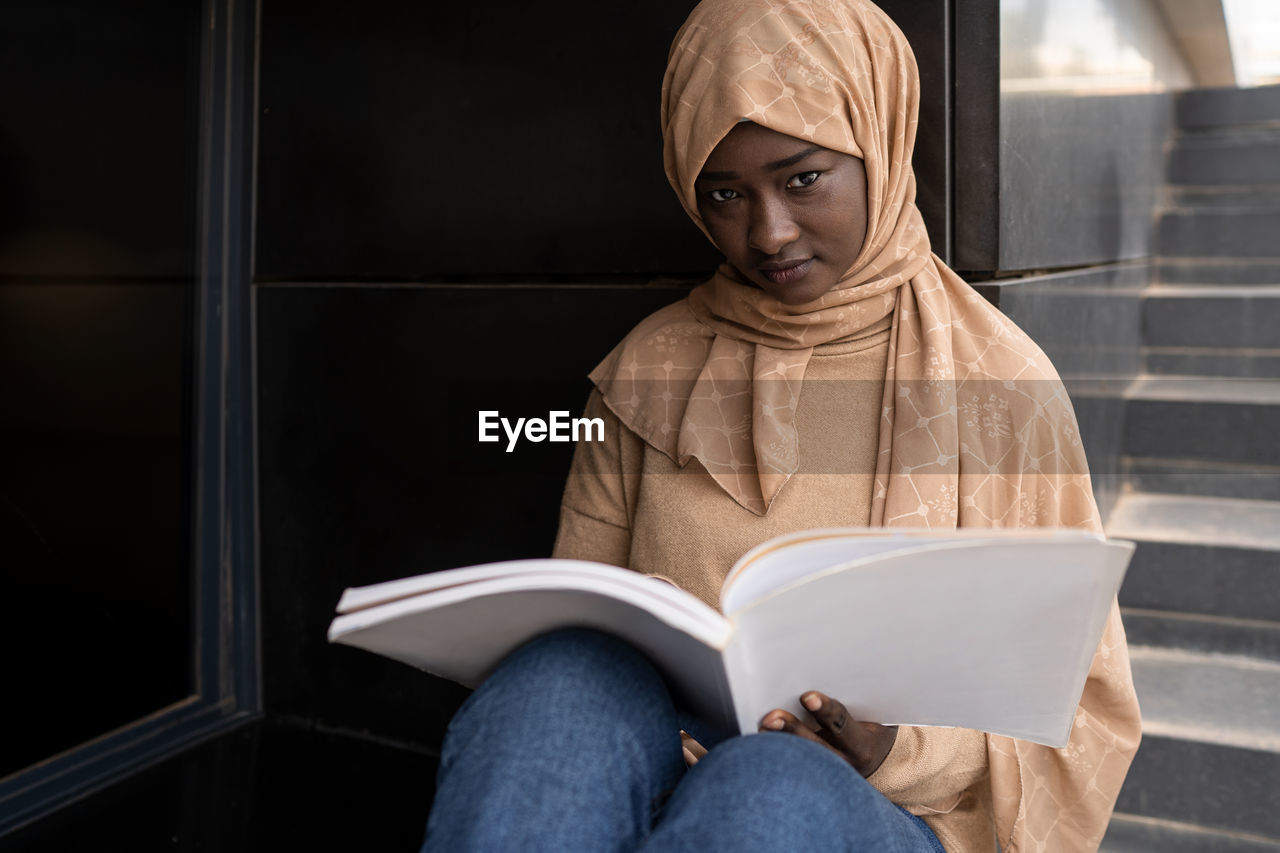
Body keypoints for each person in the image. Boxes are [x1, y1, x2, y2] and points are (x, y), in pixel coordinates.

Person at [424, 0, 1142, 850]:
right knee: (552, 679)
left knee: (766, 785)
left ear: (877, 141)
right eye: (725, 195)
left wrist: (887, 751)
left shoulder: (1001, 384)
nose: (767, 232)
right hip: (668, 762)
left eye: (803, 178)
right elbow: (588, 614)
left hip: (886, 813)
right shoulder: (648, 370)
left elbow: (1066, 711)